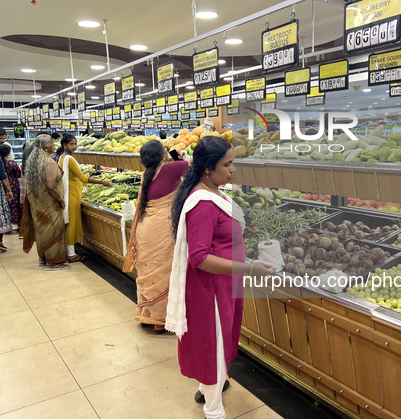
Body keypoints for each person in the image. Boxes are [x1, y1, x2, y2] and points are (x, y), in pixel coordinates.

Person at [166, 136, 275, 419]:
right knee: (212, 346)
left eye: (232, 163)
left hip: (222, 285)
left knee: (215, 341)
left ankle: (208, 386)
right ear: (207, 169)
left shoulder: (212, 191)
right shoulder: (202, 203)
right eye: (227, 164)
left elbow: (218, 229)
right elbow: (199, 258)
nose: (232, 170)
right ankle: (214, 410)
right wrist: (249, 267)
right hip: (209, 290)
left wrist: (242, 230)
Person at [123, 140, 190, 333]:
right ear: (162, 155)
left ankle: (147, 315)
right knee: (165, 273)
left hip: (146, 229)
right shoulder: (172, 169)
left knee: (148, 271)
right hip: (163, 230)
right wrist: (181, 155)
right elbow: (195, 162)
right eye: (165, 151)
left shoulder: (146, 174)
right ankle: (160, 321)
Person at [58, 133, 112, 262]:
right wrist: (102, 182)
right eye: (71, 144)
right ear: (64, 145)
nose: (74, 146)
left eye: (75, 144)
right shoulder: (69, 159)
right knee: (72, 223)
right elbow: (82, 179)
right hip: (72, 194)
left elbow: (73, 175)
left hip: (67, 192)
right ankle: (71, 255)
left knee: (68, 222)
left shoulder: (62, 157)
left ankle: (69, 250)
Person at [20, 135, 69, 270]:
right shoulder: (49, 162)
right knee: (53, 229)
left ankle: (43, 258)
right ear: (46, 147)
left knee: (41, 230)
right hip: (50, 203)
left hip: (37, 203)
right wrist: (60, 199)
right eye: (52, 143)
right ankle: (53, 262)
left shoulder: (33, 161)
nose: (54, 145)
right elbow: (51, 185)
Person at [0, 145, 22, 231]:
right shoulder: (11, 163)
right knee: (14, 204)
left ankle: (3, 226)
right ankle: (14, 226)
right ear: (8, 153)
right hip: (13, 185)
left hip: (0, 185)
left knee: (2, 205)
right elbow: (19, 174)